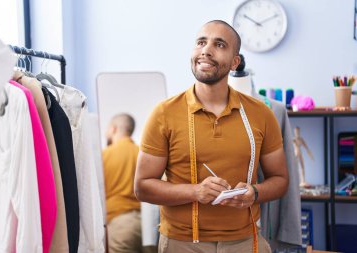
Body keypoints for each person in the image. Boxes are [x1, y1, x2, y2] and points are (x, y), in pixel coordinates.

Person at [134, 20, 289, 253]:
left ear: (235, 62)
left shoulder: (260, 114)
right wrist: (196, 192)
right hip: (181, 244)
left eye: (219, 44)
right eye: (201, 42)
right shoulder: (164, 114)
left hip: (246, 243)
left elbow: (280, 180)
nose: (206, 50)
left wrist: (254, 193)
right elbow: (142, 187)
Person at [103, 113, 142, 253]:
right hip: (148, 224)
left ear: (113, 129)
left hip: (120, 224)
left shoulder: (105, 155)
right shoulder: (142, 154)